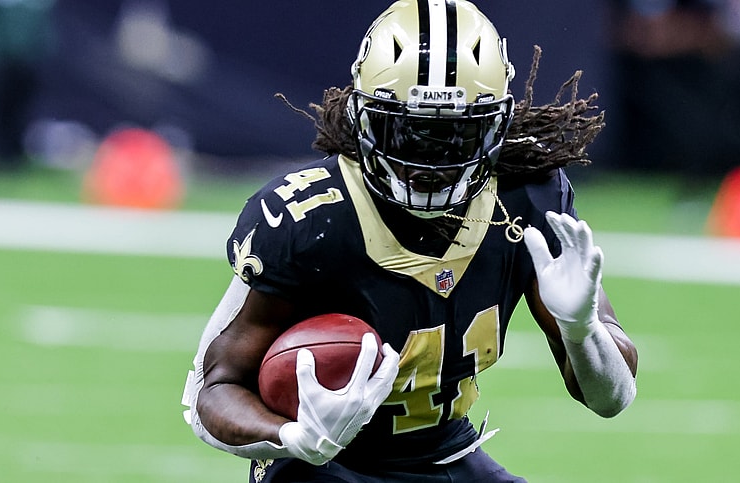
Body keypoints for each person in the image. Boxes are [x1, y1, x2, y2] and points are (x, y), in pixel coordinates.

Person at [182, 1, 638, 481]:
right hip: (324, 467)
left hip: (446, 454)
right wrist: (293, 437)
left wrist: (583, 332)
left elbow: (611, 400)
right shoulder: (309, 217)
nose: (428, 160)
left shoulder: (526, 195)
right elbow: (212, 390)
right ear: (361, 118)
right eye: (407, 130)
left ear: (496, 127)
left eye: (455, 135)